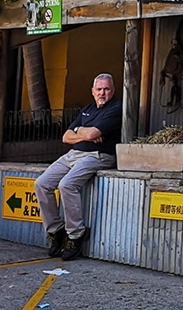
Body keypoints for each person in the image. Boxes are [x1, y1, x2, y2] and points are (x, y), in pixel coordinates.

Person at [35, 73, 122, 260]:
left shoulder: (116, 108)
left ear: (113, 91)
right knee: (41, 183)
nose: (102, 93)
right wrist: (83, 132)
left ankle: (75, 234)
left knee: (66, 185)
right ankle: (56, 231)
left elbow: (92, 134)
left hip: (99, 155)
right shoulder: (87, 110)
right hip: (74, 154)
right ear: (92, 91)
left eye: (106, 89)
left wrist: (79, 131)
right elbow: (65, 137)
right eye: (99, 89)